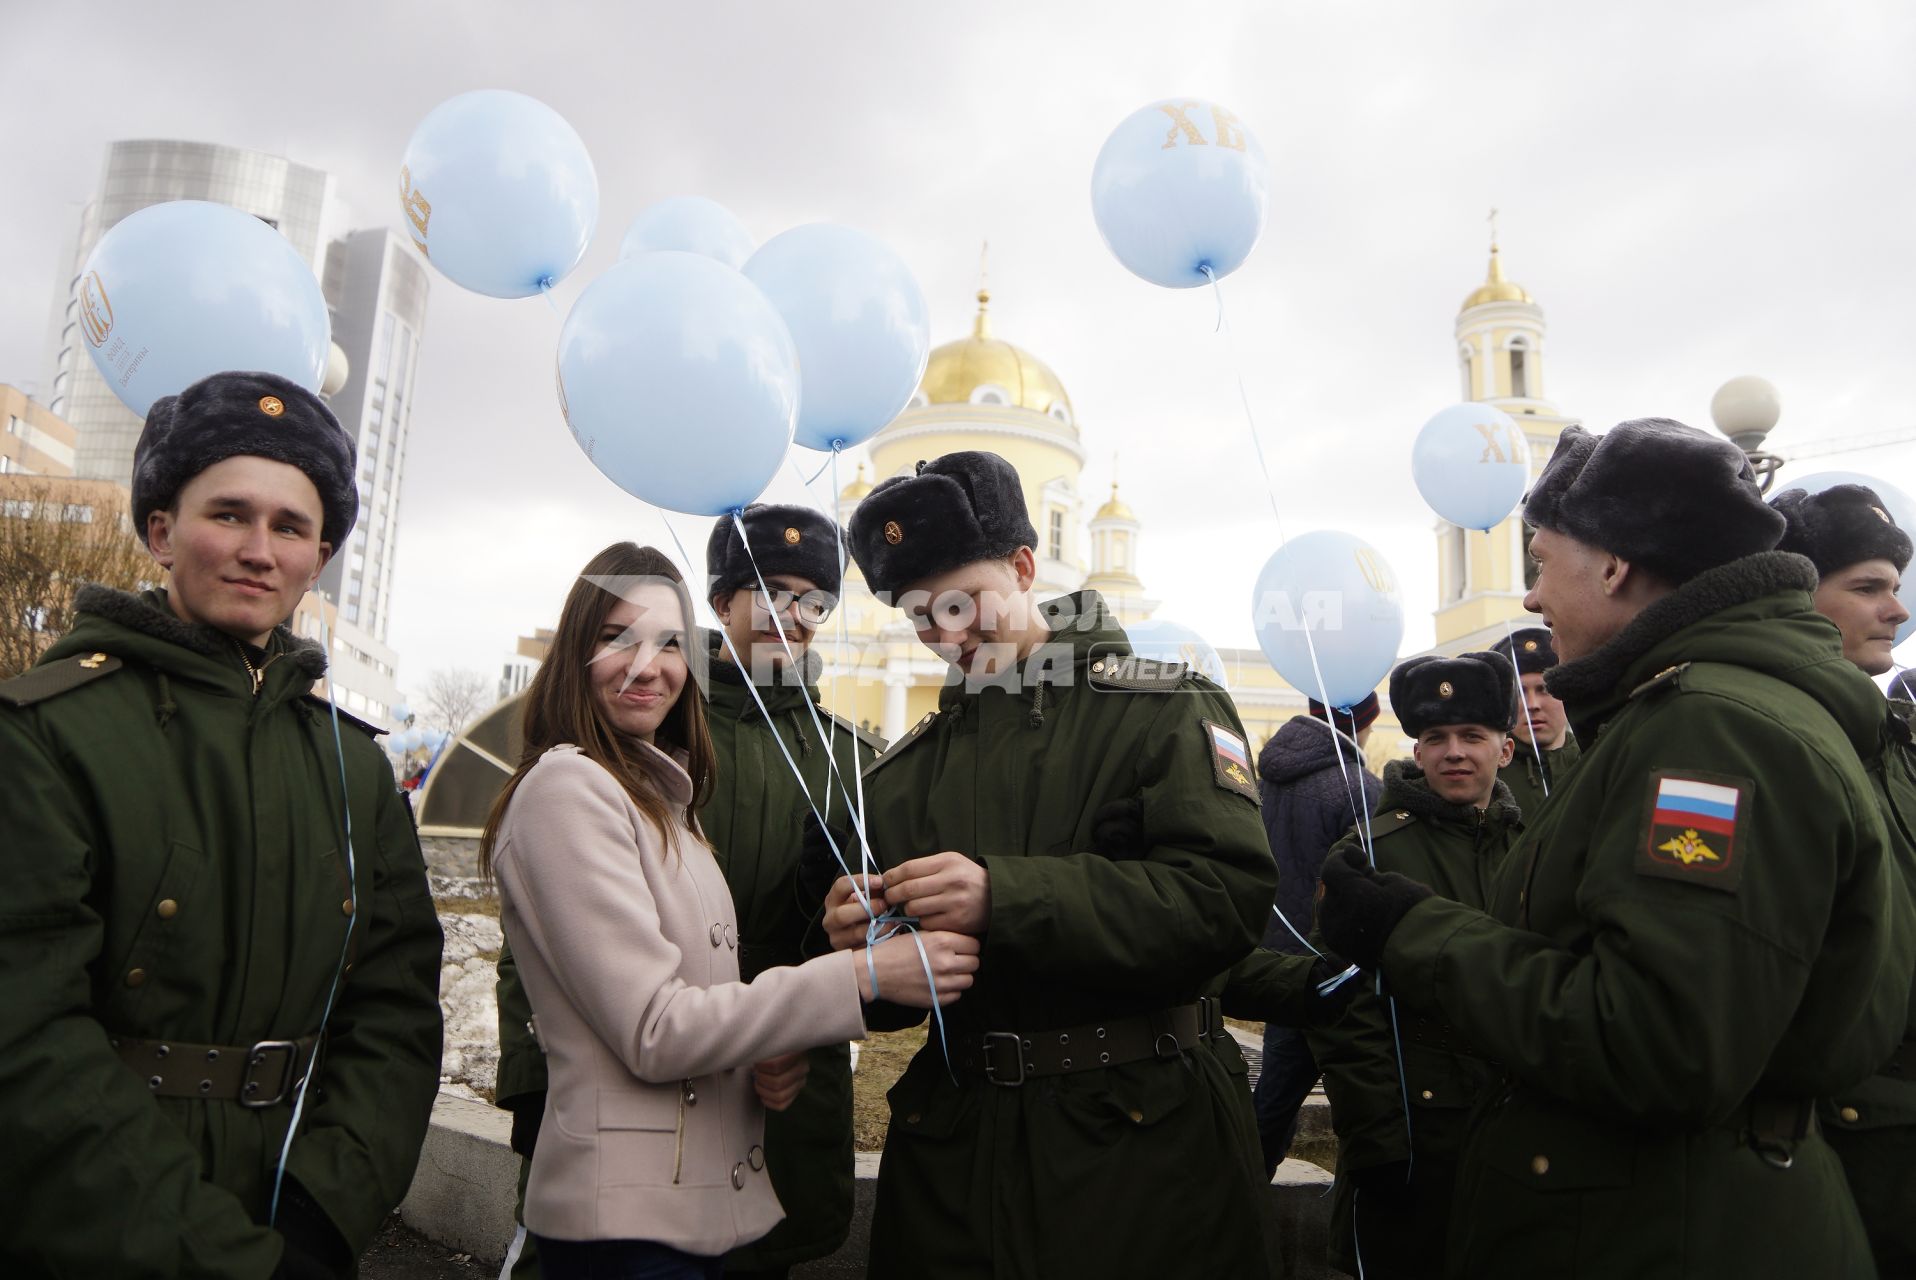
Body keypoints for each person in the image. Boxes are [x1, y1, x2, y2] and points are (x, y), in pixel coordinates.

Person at [1317, 418, 1915, 1278]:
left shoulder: (1714, 733)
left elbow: (1660, 1044)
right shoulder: (1699, 711)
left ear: (1612, 566)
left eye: (1540, 562)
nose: (1530, 597)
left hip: (1675, 1230)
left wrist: (1411, 932)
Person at [0, 371, 445, 1277]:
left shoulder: (354, 765)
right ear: (161, 531)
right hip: (90, 1229)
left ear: (318, 559)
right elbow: (27, 1037)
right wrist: (225, 1259)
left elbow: (395, 1011)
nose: (258, 550)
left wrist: (324, 1215)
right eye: (228, 514)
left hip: (297, 1212)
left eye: (290, 527)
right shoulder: (44, 733)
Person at [819, 450, 1285, 1279]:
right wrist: (862, 948)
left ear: (1025, 566)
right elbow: (903, 1004)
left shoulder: (1160, 708)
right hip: (958, 1169)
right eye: (922, 617)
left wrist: (1007, 896)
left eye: (964, 602)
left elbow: (1224, 901)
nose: (947, 637)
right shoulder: (904, 776)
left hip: (1148, 1160)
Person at [482, 542, 977, 1280]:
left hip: (693, 1187)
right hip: (629, 1210)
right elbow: (653, 1024)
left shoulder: (664, 790)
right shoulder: (572, 788)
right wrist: (863, 976)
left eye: (668, 643)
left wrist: (761, 1050)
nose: (648, 664)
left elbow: (692, 983)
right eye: (618, 637)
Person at [1307, 652, 1523, 1279]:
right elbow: (1340, 1003)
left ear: (1504, 750)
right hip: (1415, 1133)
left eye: (1472, 736)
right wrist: (1378, 1142)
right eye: (1436, 739)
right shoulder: (1369, 853)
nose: (1455, 752)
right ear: (1418, 750)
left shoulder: (1537, 845)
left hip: (1518, 1132)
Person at [1772, 482, 1916, 1275]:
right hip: (1839, 1143)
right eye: (1868, 588)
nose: (1896, 611)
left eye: (1894, 588)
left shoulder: (1891, 743)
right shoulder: (1774, 740)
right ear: (1796, 593)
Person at [1249, 693, 1383, 1179]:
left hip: (1282, 971)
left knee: (1272, 1104)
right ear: (1365, 721)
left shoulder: (1266, 781)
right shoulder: (1358, 788)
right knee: (1367, 1116)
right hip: (1341, 974)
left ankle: (1238, 1203)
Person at [1487, 625, 1577, 817]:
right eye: (1518, 693)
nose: (1532, 705)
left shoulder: (1594, 758)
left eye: (1544, 690)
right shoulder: (1486, 775)